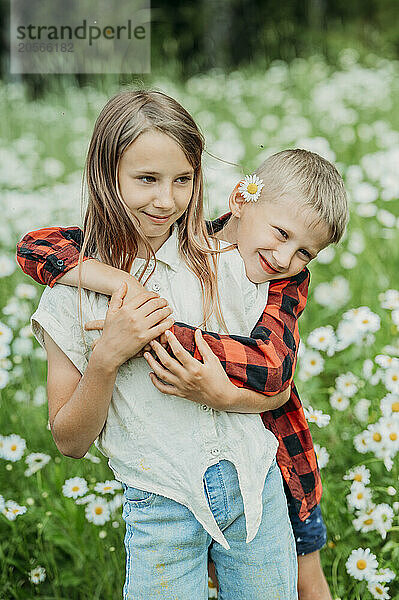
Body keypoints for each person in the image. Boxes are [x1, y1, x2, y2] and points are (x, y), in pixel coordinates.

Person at [17, 145, 348, 600]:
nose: (287, 255)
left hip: (266, 469)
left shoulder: (256, 271)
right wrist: (123, 293)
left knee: (304, 576)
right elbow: (34, 246)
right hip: (163, 491)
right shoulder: (94, 283)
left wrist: (159, 331)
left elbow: (274, 374)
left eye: (305, 252)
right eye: (147, 179)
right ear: (239, 199)